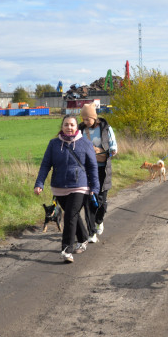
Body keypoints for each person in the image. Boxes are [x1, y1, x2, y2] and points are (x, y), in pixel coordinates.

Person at [34, 115, 100, 263]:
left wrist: (95, 187)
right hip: (59, 187)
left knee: (70, 215)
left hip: (80, 186)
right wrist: (39, 183)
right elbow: (45, 165)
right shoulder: (54, 144)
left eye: (72, 125)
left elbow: (92, 167)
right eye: (66, 125)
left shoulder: (85, 144)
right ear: (62, 127)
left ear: (77, 127)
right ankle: (83, 239)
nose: (69, 127)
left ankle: (66, 250)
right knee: (73, 215)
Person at [78, 103, 118, 241]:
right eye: (83, 119)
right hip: (87, 169)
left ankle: (99, 221)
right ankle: (91, 232)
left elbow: (113, 145)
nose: (85, 122)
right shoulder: (81, 130)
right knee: (89, 201)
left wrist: (112, 150)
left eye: (87, 119)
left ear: (94, 117)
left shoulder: (105, 128)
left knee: (102, 200)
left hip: (103, 169)